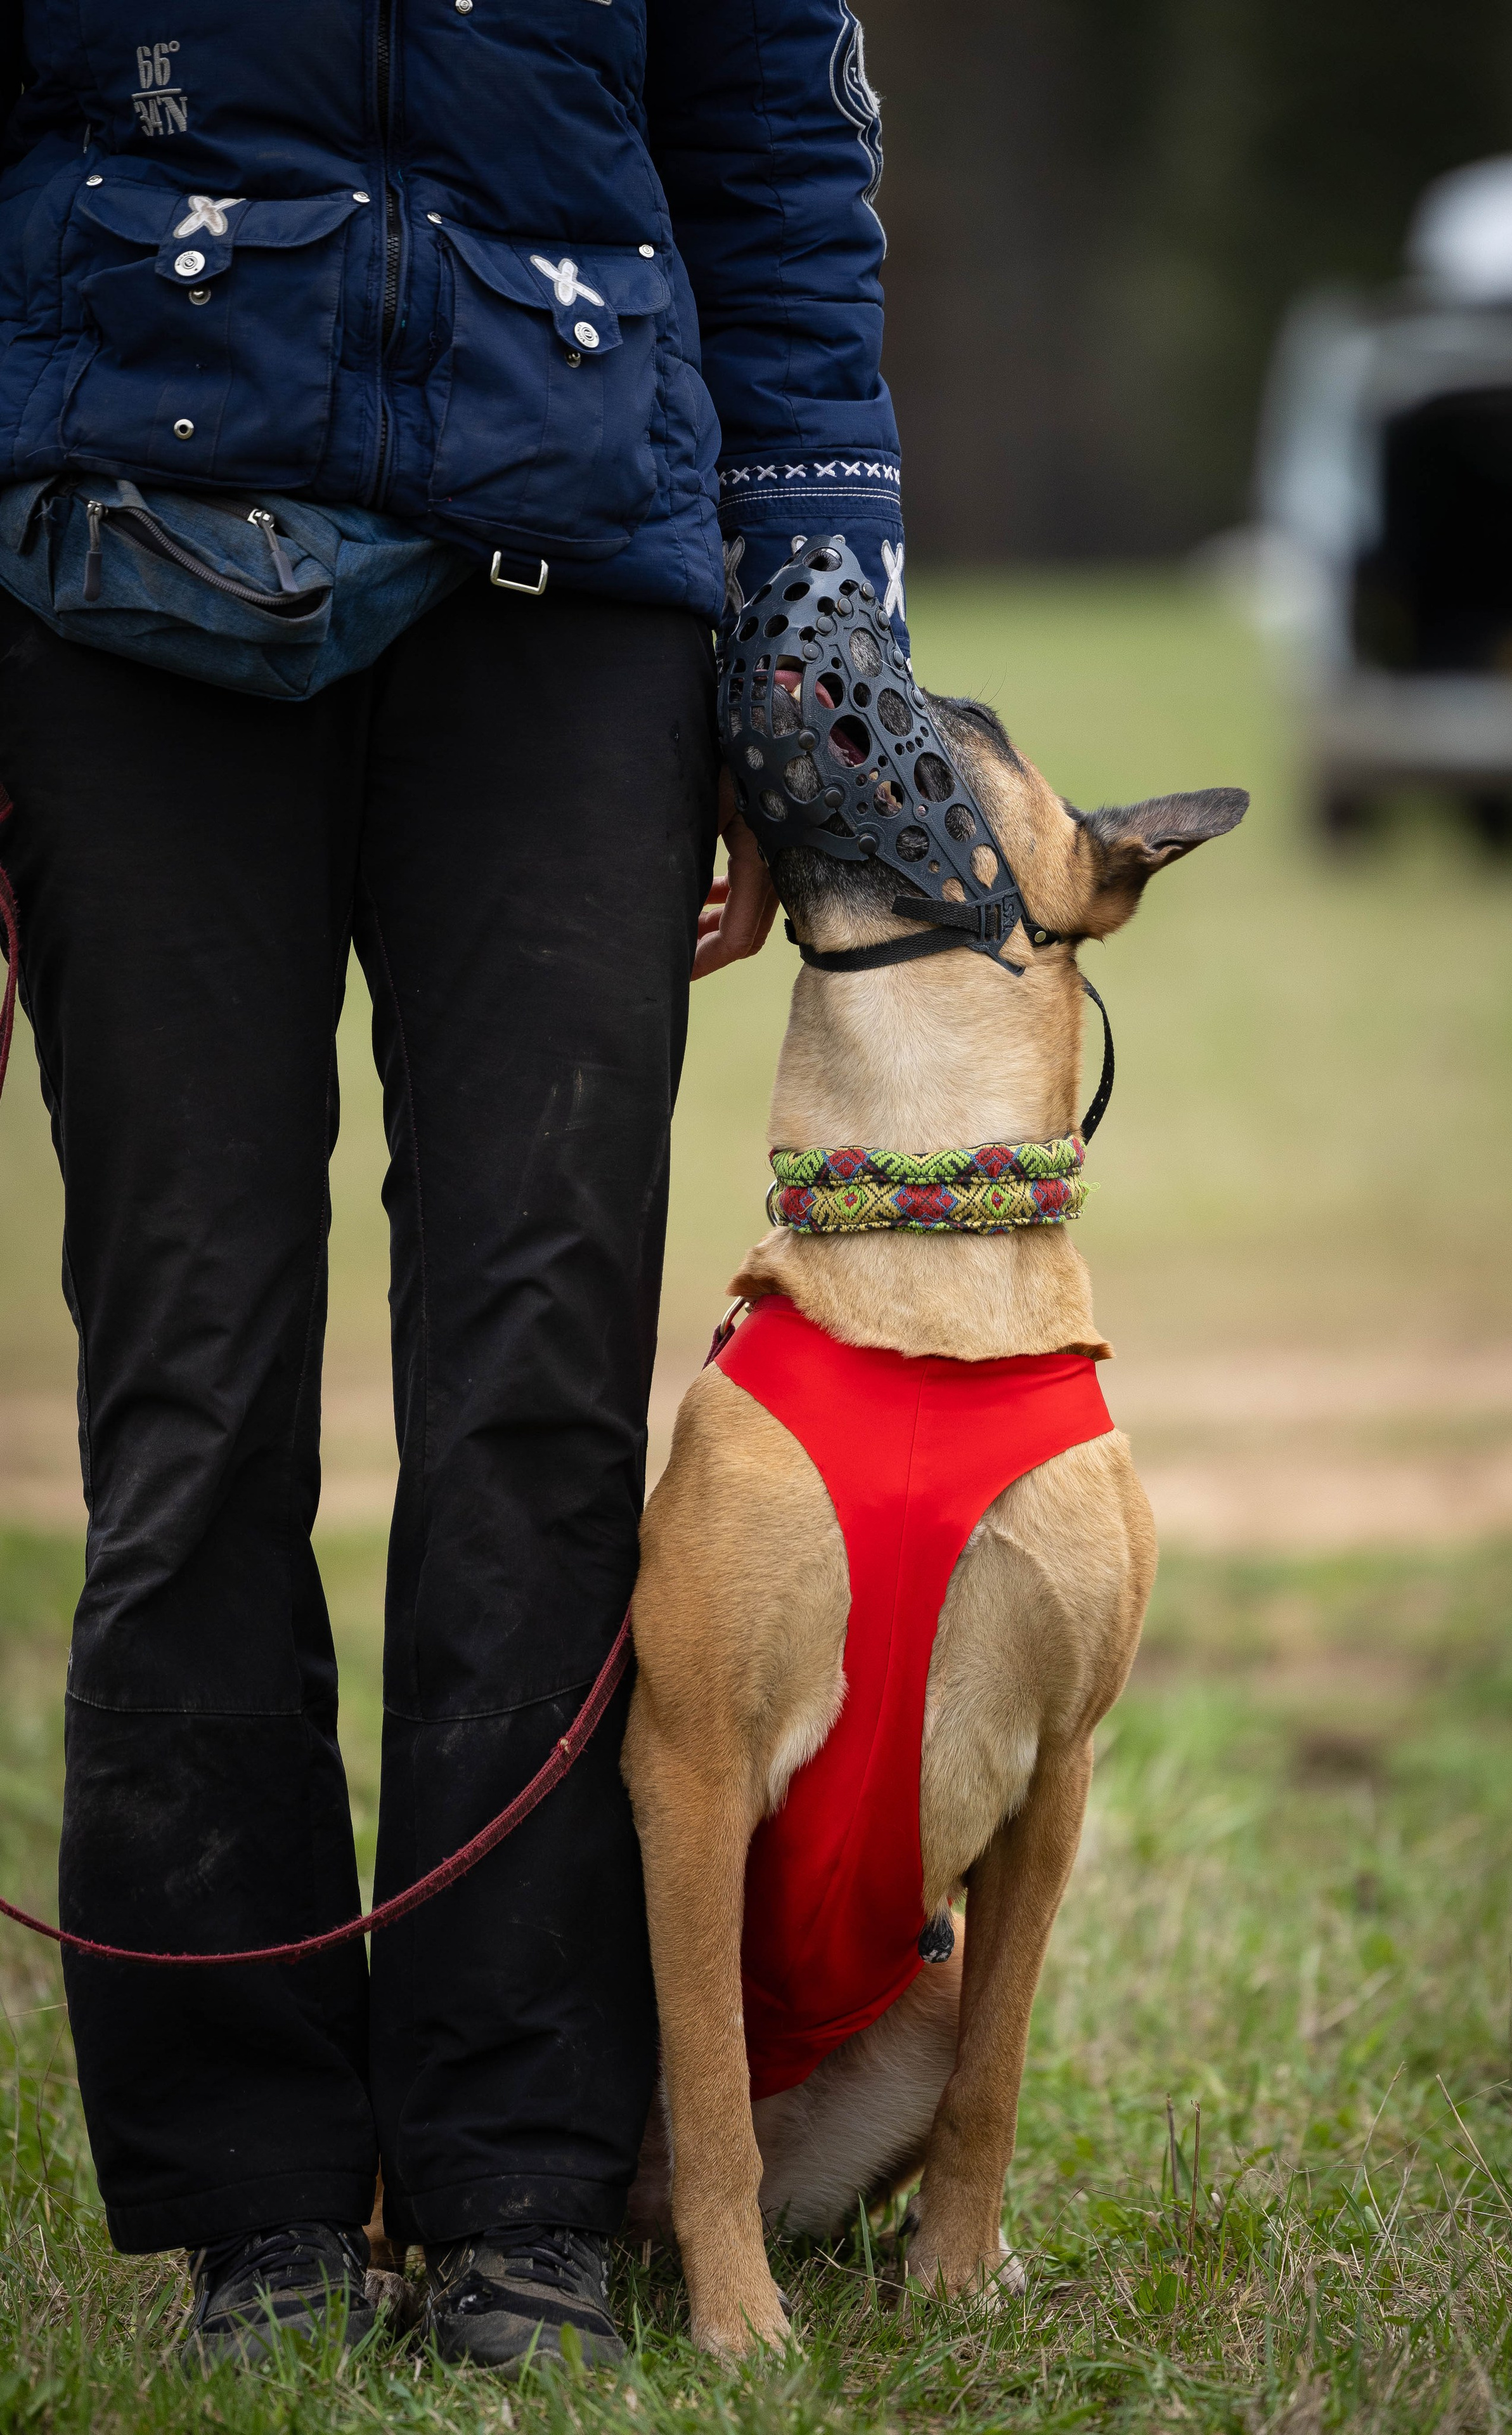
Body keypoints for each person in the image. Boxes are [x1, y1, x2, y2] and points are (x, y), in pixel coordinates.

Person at [0, 0, 907, 2372]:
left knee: (533, 1400)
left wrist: (808, 625)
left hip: (572, 585)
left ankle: (518, 2189)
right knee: (190, 1403)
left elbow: (769, 153)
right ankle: (256, 2204)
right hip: (121, 566)